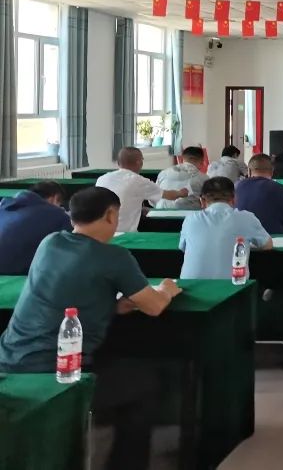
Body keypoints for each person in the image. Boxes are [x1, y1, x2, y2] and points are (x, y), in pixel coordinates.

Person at [0, 187, 182, 470]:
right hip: (60, 372)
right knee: (145, 383)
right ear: (110, 215)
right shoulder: (115, 257)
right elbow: (154, 306)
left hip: (9, 361)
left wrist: (112, 305)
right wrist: (167, 289)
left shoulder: (50, 242)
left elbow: (64, 292)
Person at [179, 177, 273, 279]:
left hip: (189, 286)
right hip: (233, 285)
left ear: (202, 200)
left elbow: (183, 248)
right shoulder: (246, 218)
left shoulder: (190, 219)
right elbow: (267, 245)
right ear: (234, 199)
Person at [97, 147, 188, 232]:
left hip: (99, 231)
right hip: (123, 233)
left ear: (118, 163)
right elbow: (168, 195)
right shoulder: (138, 181)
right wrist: (181, 193)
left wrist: (138, 208)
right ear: (139, 162)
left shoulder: (102, 178)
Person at [0, 181, 71, 275]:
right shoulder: (57, 215)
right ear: (55, 198)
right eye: (60, 204)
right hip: (15, 272)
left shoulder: (4, 207)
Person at [235, 153, 283, 234]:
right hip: (273, 240)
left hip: (239, 239)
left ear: (249, 171)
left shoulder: (234, 187)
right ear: (272, 171)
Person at [154, 146, 207, 210]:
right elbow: (211, 202)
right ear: (202, 162)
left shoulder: (163, 173)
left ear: (182, 159)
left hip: (159, 212)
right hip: (187, 214)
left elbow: (153, 198)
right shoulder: (203, 178)